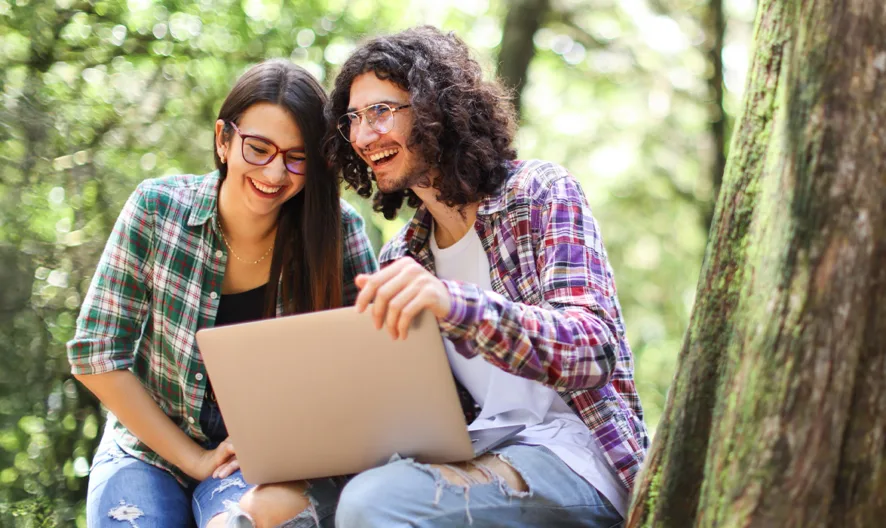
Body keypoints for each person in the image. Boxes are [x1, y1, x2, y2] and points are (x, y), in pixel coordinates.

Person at [325, 26, 649, 527]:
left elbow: (594, 349)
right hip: (482, 453)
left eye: (381, 112)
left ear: (435, 108)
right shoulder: (401, 257)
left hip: (579, 458)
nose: (365, 136)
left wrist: (454, 304)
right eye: (354, 119)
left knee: (377, 502)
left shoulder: (540, 193)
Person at [67, 59, 377, 528]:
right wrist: (194, 459)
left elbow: (369, 372)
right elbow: (97, 355)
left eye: (297, 157)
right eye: (259, 148)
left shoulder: (337, 233)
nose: (275, 174)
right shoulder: (157, 210)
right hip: (148, 447)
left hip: (265, 458)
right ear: (224, 140)